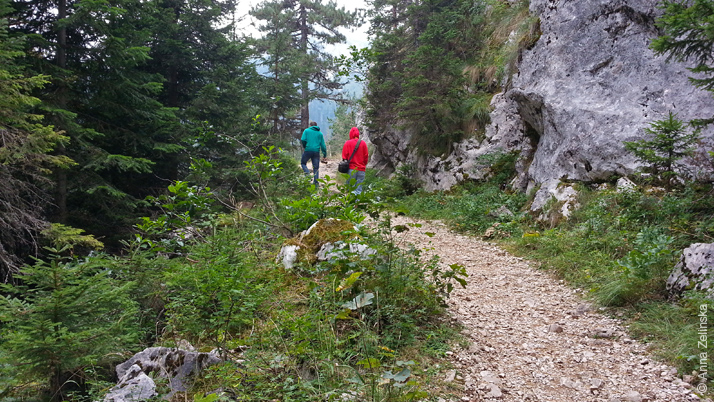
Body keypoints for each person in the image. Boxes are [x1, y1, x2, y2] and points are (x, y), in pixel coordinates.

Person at [341, 127, 369, 194]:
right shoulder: (363, 143)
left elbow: (344, 157)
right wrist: (363, 164)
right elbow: (366, 157)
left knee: (351, 188)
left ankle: (351, 203)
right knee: (358, 189)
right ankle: (357, 203)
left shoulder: (347, 143)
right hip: (361, 169)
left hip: (351, 169)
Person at [300, 121, 327, 187]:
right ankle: (316, 183)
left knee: (303, 163)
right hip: (316, 152)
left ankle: (307, 173)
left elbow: (303, 139)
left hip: (308, 150)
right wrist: (324, 154)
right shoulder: (319, 133)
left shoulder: (306, 131)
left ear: (310, 125)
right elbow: (323, 145)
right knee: (316, 168)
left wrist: (305, 146)